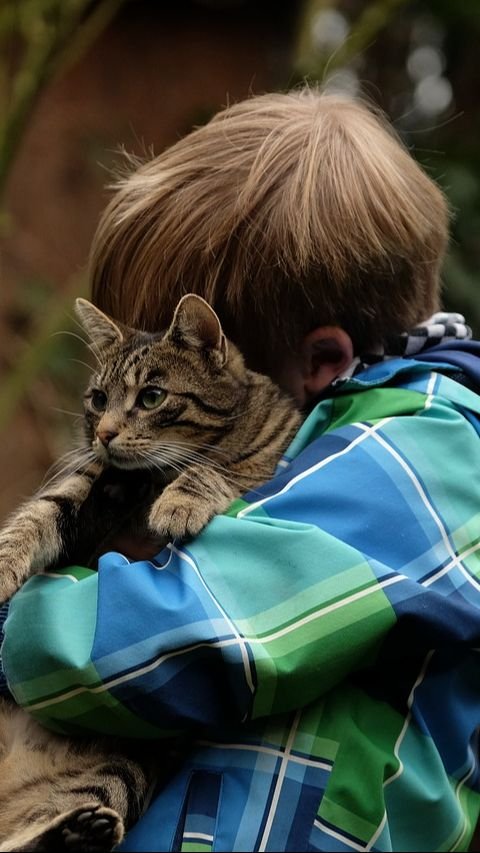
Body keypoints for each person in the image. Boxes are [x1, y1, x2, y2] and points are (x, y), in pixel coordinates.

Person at [2, 87, 480, 852]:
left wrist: (17, 623)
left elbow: (168, 643)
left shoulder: (428, 455)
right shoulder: (350, 443)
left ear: (321, 363)